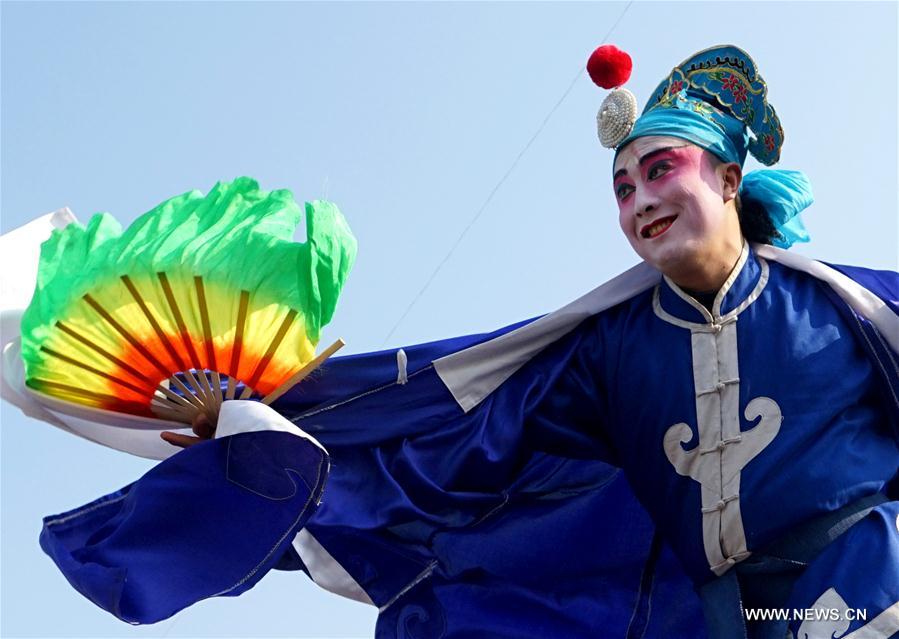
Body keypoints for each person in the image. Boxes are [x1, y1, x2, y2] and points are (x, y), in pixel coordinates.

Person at [14, 44, 899, 638]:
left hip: (871, 586)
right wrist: (259, 427)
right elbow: (444, 446)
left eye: (658, 170)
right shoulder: (604, 352)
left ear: (728, 175)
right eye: (621, 188)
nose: (638, 202)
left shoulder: (854, 308)